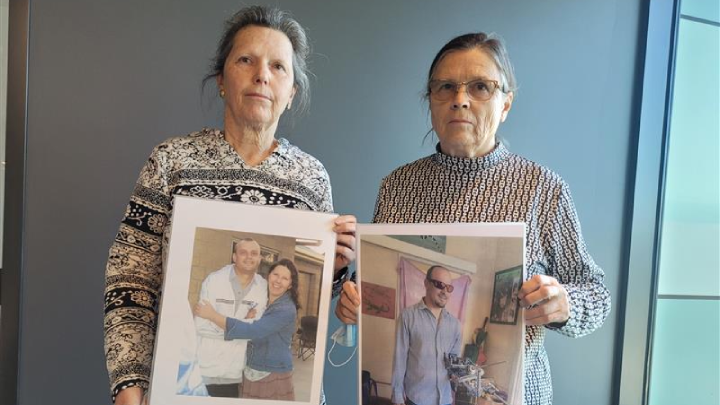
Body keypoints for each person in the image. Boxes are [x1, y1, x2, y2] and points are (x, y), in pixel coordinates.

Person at [336, 32, 611, 405]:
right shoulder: (396, 186)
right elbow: (363, 288)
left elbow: (596, 293)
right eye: (445, 87)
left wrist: (564, 304)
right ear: (430, 101)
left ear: (506, 104)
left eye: (480, 87)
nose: (460, 100)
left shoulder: (543, 188)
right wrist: (354, 300)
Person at [104, 6, 356, 405]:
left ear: (291, 93)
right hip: (183, 388)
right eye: (246, 60)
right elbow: (130, 283)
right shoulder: (172, 162)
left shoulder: (311, 178)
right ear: (222, 79)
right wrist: (129, 388)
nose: (262, 74)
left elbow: (304, 308)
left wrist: (338, 271)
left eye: (278, 66)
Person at [195, 258, 302, 401]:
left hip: (272, 371)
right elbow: (253, 325)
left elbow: (253, 331)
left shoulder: (285, 309)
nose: (278, 281)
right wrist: (246, 318)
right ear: (269, 275)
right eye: (276, 275)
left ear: (290, 285)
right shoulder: (264, 299)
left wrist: (213, 315)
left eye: (284, 278)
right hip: (253, 369)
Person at [194, 238, 268, 397]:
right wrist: (242, 328)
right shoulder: (214, 280)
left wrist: (215, 317)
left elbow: (255, 330)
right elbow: (200, 325)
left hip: (234, 373)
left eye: (254, 253)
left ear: (260, 258)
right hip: (205, 368)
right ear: (234, 257)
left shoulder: (263, 287)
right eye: (243, 253)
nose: (249, 257)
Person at [391, 266, 462, 405]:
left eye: (449, 288)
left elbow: (454, 362)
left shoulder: (455, 325)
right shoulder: (407, 317)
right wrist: (397, 396)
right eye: (440, 285)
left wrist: (456, 374)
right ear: (426, 283)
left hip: (445, 399)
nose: (444, 292)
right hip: (417, 399)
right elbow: (399, 360)